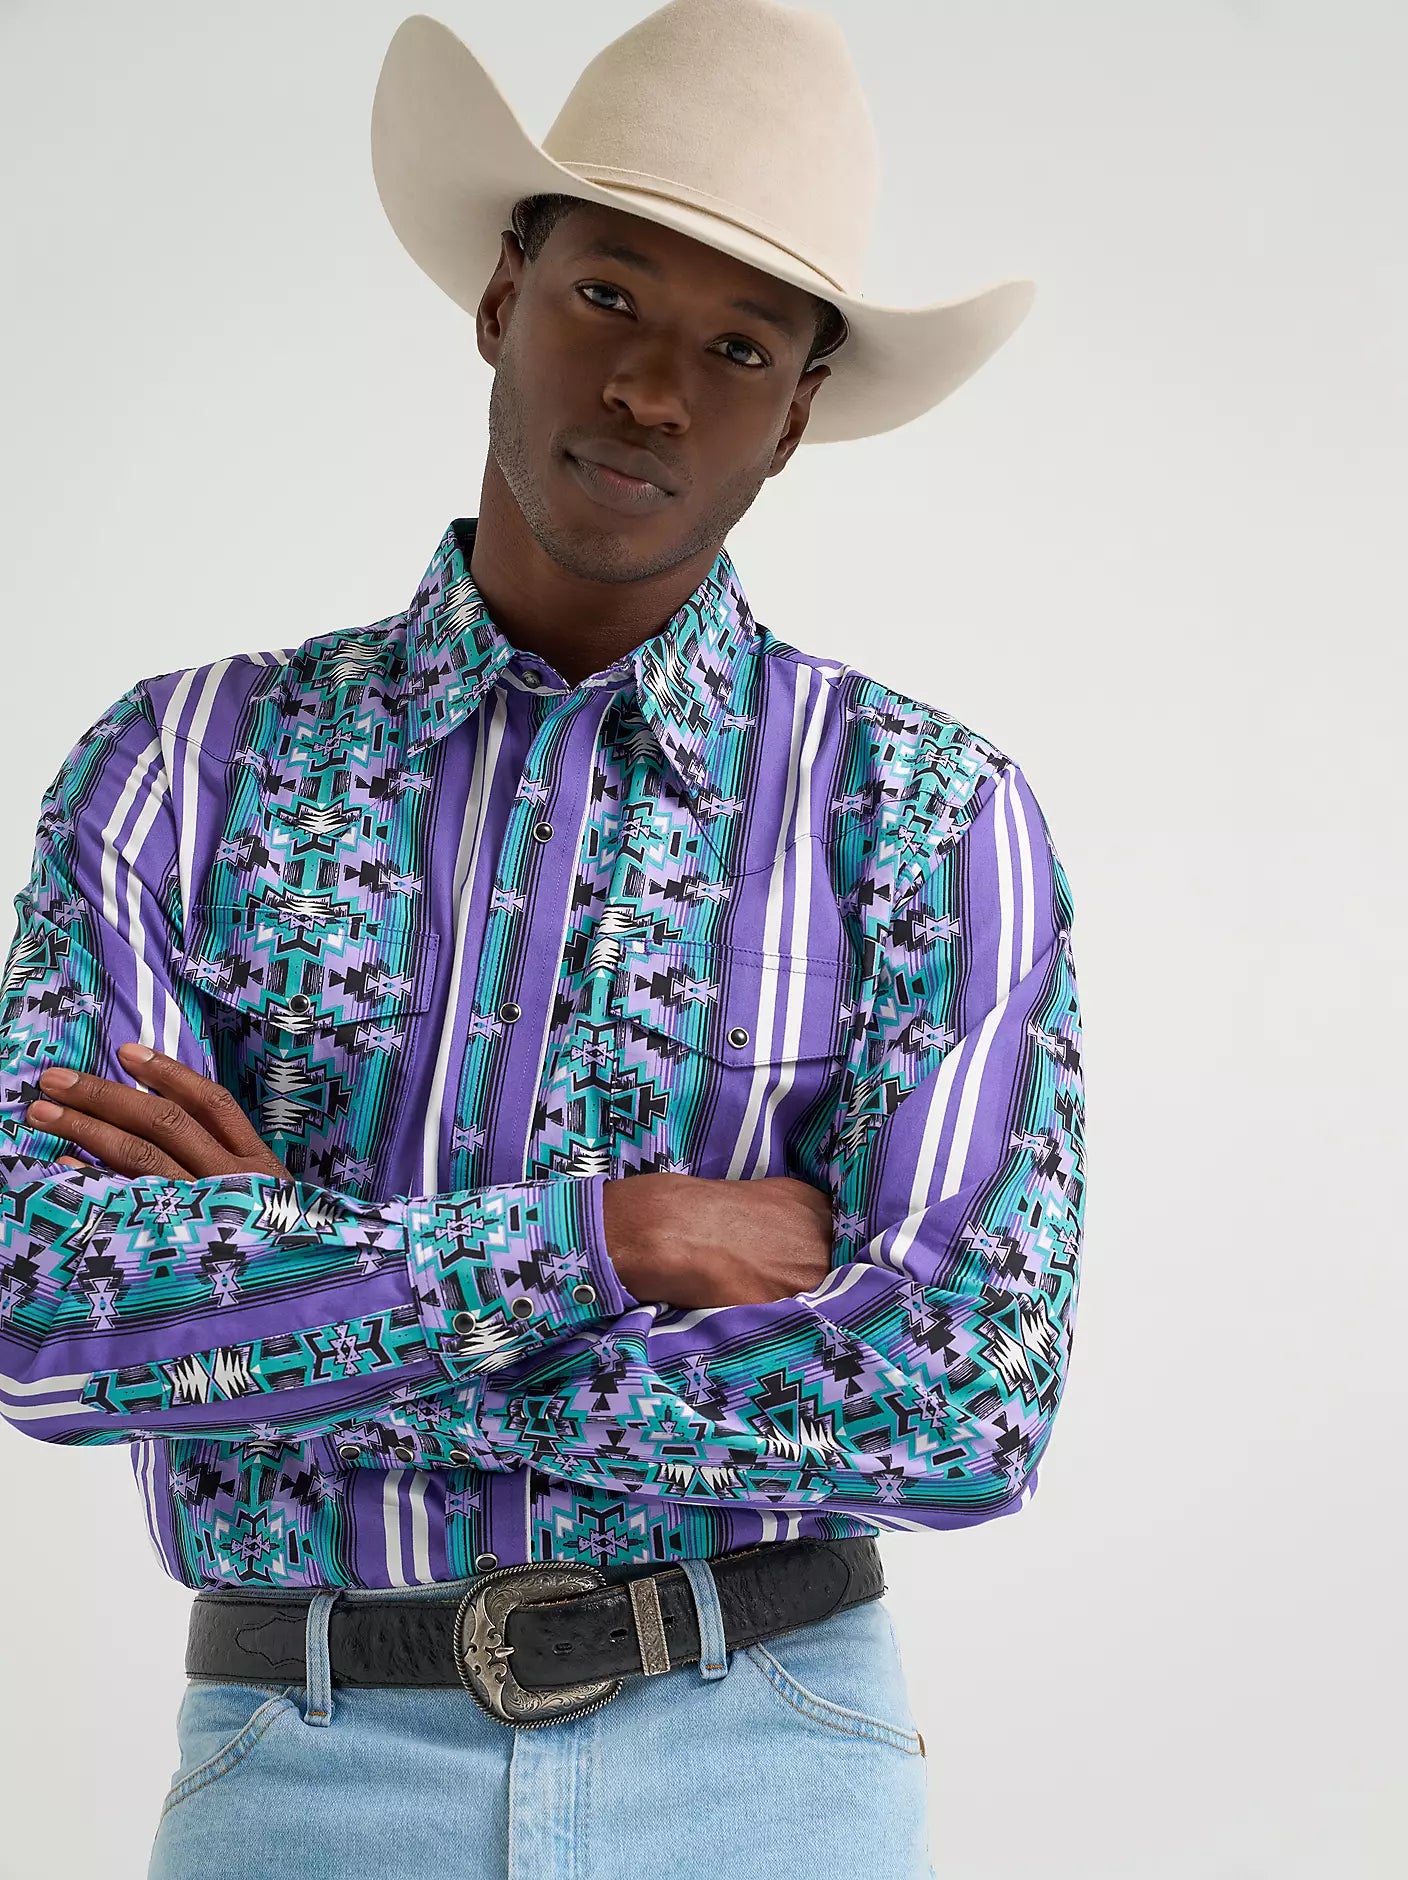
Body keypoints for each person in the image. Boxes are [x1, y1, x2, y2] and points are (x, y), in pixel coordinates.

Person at [0, 4, 1084, 1875]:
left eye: (738, 344)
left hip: (770, 1759)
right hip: (308, 1758)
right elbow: (47, 1308)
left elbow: (967, 1398)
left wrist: (306, 1304)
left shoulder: (919, 813)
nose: (656, 391)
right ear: (504, 295)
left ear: (800, 409)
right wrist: (621, 1239)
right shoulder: (190, 768)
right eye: (609, 298)